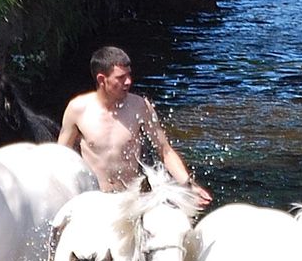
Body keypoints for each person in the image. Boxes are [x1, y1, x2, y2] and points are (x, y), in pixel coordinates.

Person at [58, 46, 212, 205]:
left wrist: (189, 185)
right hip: (94, 198)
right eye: (121, 77)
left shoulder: (140, 107)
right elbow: (60, 156)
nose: (128, 81)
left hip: (129, 199)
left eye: (129, 75)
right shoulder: (77, 109)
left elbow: (165, 151)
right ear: (101, 80)